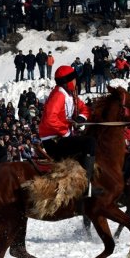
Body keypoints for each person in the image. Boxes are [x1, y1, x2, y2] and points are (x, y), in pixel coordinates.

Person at [38, 65, 95, 194]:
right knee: (89, 142)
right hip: (53, 140)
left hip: (62, 136)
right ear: (67, 81)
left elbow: (85, 109)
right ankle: (85, 186)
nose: (76, 82)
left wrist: (81, 117)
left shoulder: (71, 95)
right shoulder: (58, 95)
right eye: (74, 79)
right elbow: (49, 119)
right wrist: (66, 132)